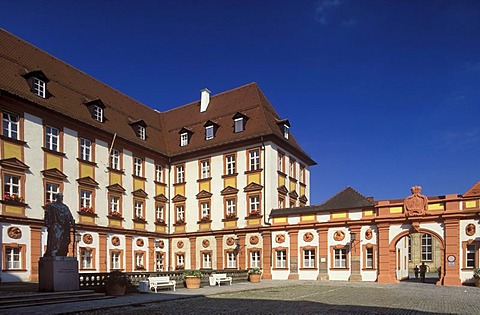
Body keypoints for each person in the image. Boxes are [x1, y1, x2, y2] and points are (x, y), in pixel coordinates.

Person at [44, 193, 76, 257]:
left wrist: (73, 224)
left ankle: (62, 253)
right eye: (60, 197)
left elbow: (70, 216)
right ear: (57, 197)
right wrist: (48, 225)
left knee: (66, 240)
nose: (61, 198)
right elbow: (47, 215)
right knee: (56, 239)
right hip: (56, 225)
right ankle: (54, 252)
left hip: (65, 226)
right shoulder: (52, 206)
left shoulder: (65, 207)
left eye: (62, 197)